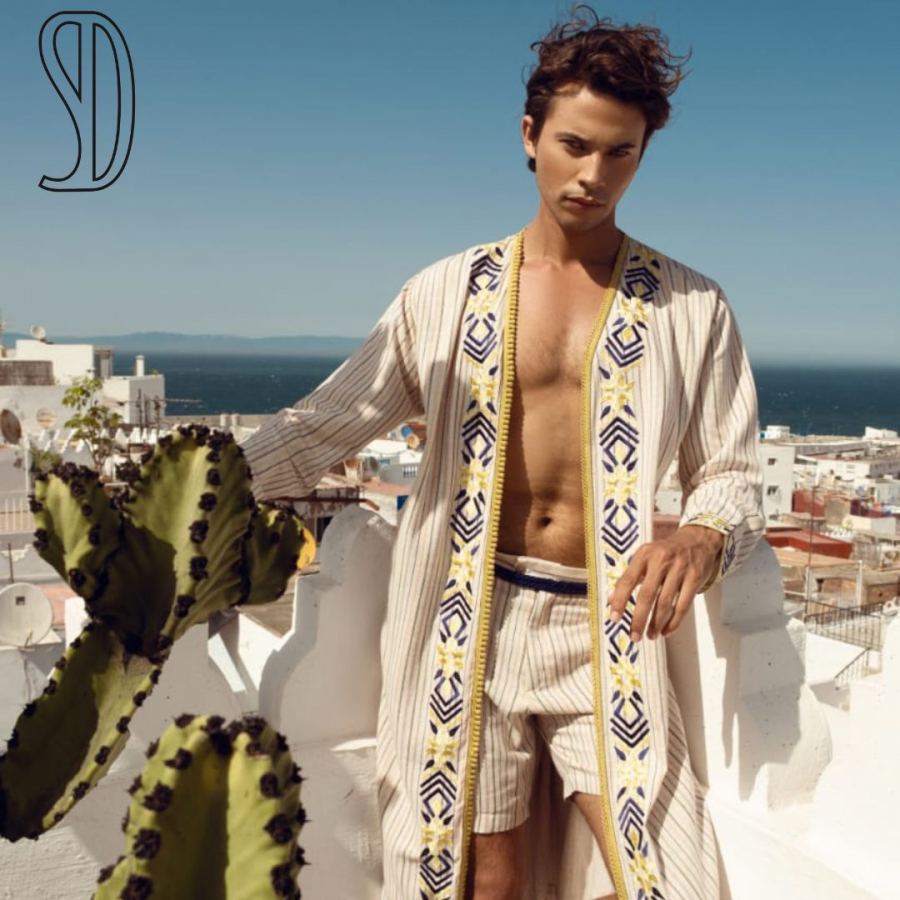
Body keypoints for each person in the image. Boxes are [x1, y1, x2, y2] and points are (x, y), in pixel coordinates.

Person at [240, 6, 765, 898]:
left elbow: (733, 470)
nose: (593, 174)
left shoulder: (692, 306)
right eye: (574, 145)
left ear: (642, 155)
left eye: (620, 153)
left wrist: (703, 536)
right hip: (465, 619)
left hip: (610, 627)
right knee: (479, 885)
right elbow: (325, 425)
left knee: (666, 877)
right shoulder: (444, 292)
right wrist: (184, 492)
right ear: (530, 136)